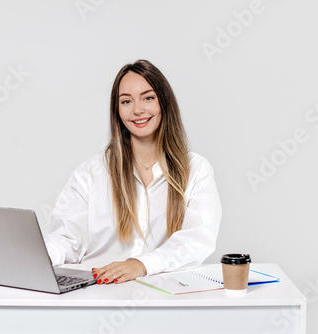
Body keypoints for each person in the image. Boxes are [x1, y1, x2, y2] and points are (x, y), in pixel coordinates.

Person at [44, 59, 221, 285]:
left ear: (163, 103)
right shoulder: (92, 171)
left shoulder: (196, 170)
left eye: (148, 98)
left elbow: (196, 241)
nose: (138, 110)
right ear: (117, 111)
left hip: (161, 298)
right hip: (96, 293)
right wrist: (41, 256)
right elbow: (67, 238)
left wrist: (141, 265)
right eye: (126, 101)